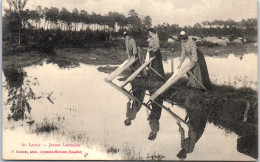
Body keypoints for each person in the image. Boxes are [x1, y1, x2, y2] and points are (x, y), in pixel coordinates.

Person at [146, 28, 165, 140]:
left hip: (155, 54)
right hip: (155, 114)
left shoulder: (154, 129)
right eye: (150, 135)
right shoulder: (154, 129)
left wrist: (151, 118)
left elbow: (156, 47)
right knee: (156, 105)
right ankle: (155, 77)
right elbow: (155, 119)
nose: (149, 133)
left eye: (150, 32)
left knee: (156, 66)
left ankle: (157, 77)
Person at [123, 31, 146, 126]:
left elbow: (135, 49)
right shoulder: (126, 41)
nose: (127, 37)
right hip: (136, 104)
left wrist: (135, 56)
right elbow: (127, 50)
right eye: (126, 36)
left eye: (128, 36)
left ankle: (139, 75)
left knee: (137, 64)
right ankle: (136, 77)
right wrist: (129, 57)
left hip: (136, 54)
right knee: (138, 93)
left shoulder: (132, 40)